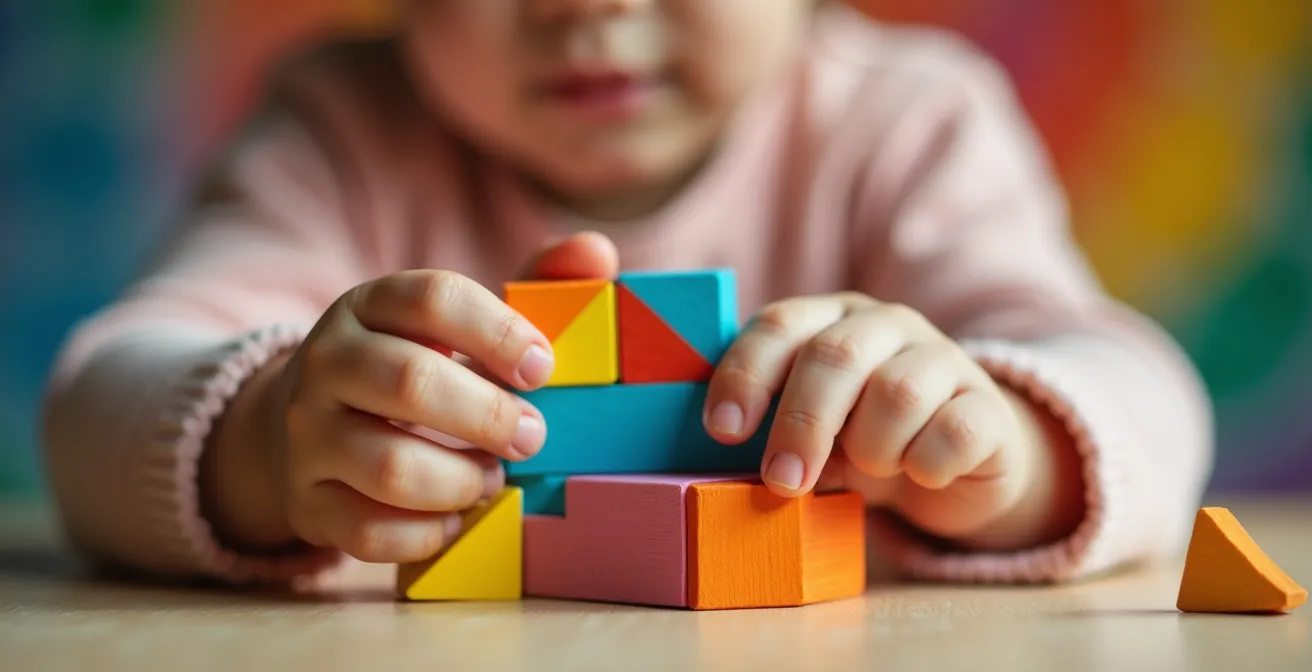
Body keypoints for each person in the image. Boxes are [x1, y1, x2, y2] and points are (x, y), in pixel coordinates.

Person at [41, 0, 1213, 586]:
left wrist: (998, 441)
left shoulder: (911, 124)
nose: (589, 5)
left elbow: (1144, 395)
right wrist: (262, 440)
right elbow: (97, 399)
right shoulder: (337, 131)